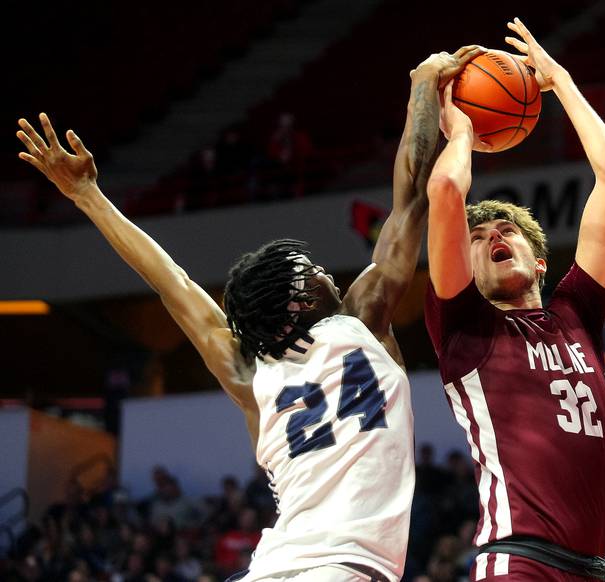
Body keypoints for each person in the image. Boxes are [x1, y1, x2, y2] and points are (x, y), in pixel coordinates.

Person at [16, 45, 484, 582]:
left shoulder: (250, 372)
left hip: (271, 568)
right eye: (312, 270)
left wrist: (89, 197)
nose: (327, 273)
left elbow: (174, 285)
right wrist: (422, 87)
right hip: (343, 568)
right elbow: (410, 196)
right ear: (298, 298)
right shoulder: (363, 319)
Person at [424, 17, 605, 581]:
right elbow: (444, 190)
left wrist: (558, 78)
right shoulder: (465, 329)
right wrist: (462, 132)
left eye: (505, 232)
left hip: (590, 569)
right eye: (477, 237)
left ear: (540, 260)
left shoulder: (577, 314)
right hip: (517, 561)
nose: (492, 236)